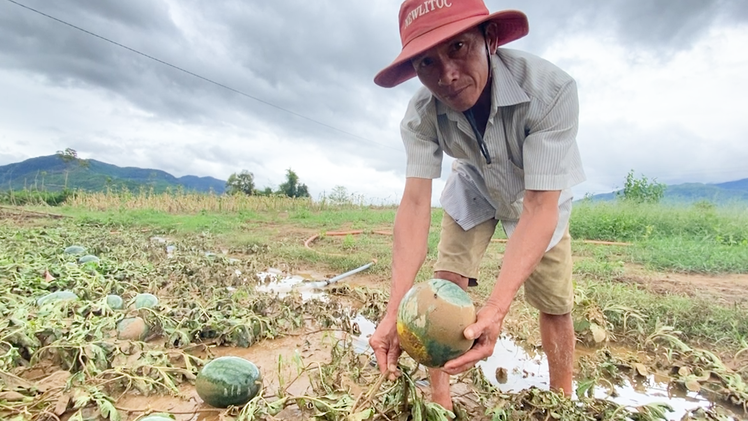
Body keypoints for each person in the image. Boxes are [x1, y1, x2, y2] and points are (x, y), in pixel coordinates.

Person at [368, 0, 586, 411]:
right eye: (426, 62)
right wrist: (396, 307)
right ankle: (441, 399)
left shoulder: (550, 91)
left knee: (555, 304)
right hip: (473, 182)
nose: (446, 75)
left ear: (490, 39)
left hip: (538, 192)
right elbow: (415, 203)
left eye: (458, 48)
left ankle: (563, 399)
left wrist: (496, 307)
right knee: (444, 286)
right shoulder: (421, 116)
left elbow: (540, 208)